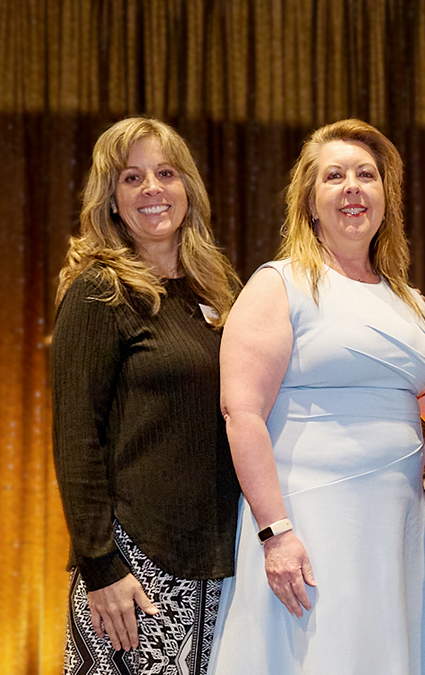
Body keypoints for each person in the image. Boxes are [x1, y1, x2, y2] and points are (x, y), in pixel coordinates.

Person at [208, 119, 425, 674]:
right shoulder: (278, 284)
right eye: (334, 176)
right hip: (308, 519)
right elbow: (241, 414)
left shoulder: (411, 302)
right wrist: (276, 532)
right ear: (309, 202)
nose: (353, 188)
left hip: (397, 523)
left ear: (386, 196)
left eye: (367, 175)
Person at [51, 117, 241, 674]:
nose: (153, 189)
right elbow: (75, 438)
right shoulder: (98, 291)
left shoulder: (216, 293)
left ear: (189, 188)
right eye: (132, 178)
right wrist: (100, 568)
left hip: (216, 566)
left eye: (165, 173)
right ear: (111, 201)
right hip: (133, 568)